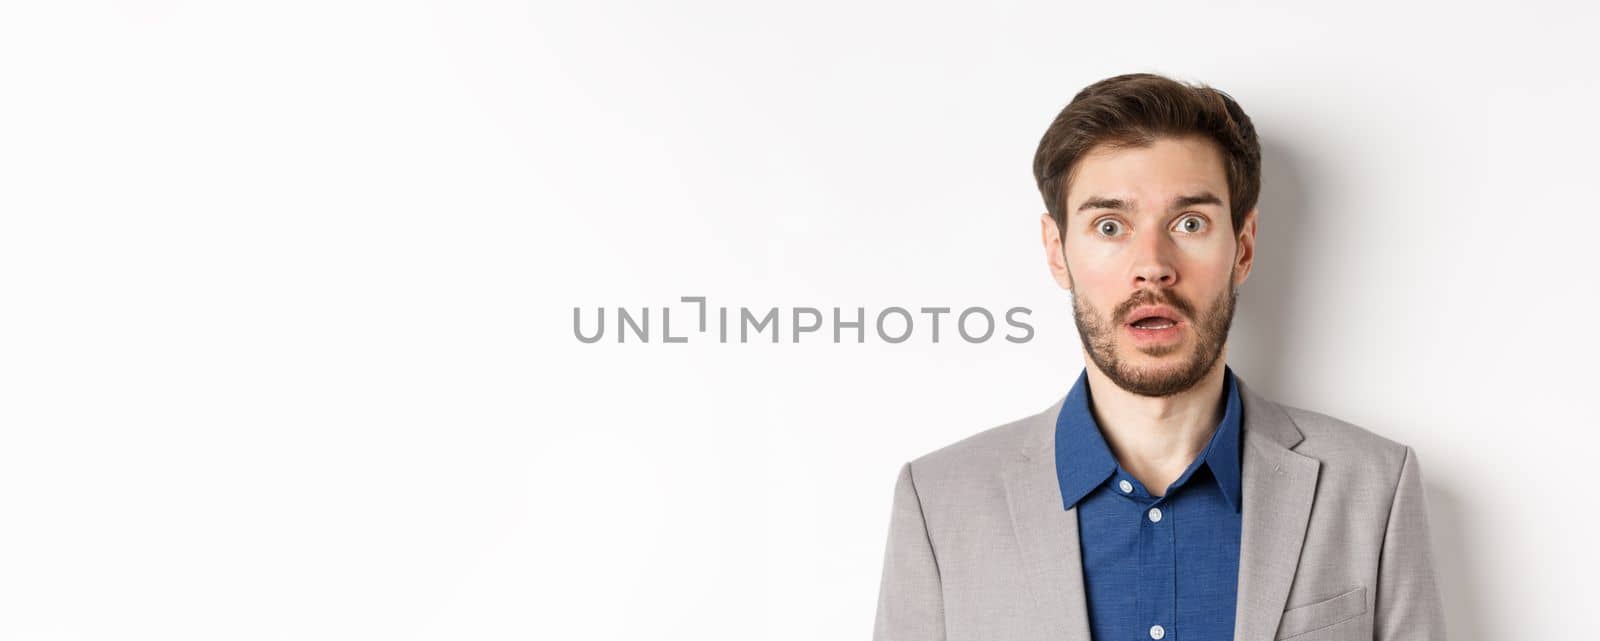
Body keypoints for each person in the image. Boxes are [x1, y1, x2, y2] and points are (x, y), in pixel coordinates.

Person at [871, 73, 1445, 641]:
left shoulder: (1374, 486)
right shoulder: (939, 503)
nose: (1152, 265)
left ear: (1243, 247)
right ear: (1057, 252)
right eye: (1110, 225)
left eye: (1189, 223)